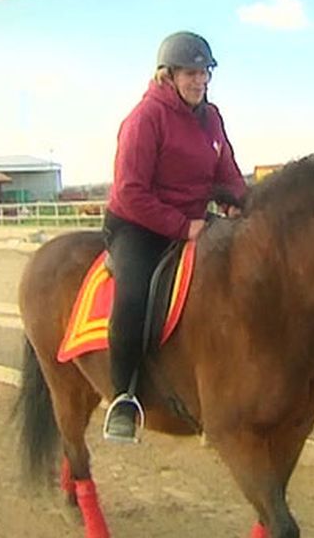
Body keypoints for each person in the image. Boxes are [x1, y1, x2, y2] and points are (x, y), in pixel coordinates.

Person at [102, 31, 246, 442]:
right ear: (167, 75)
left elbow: (227, 173)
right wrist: (183, 227)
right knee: (133, 298)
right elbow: (130, 192)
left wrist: (237, 200)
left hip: (195, 221)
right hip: (138, 225)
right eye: (190, 73)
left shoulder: (212, 116)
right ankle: (123, 397)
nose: (199, 80)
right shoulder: (144, 118)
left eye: (204, 72)